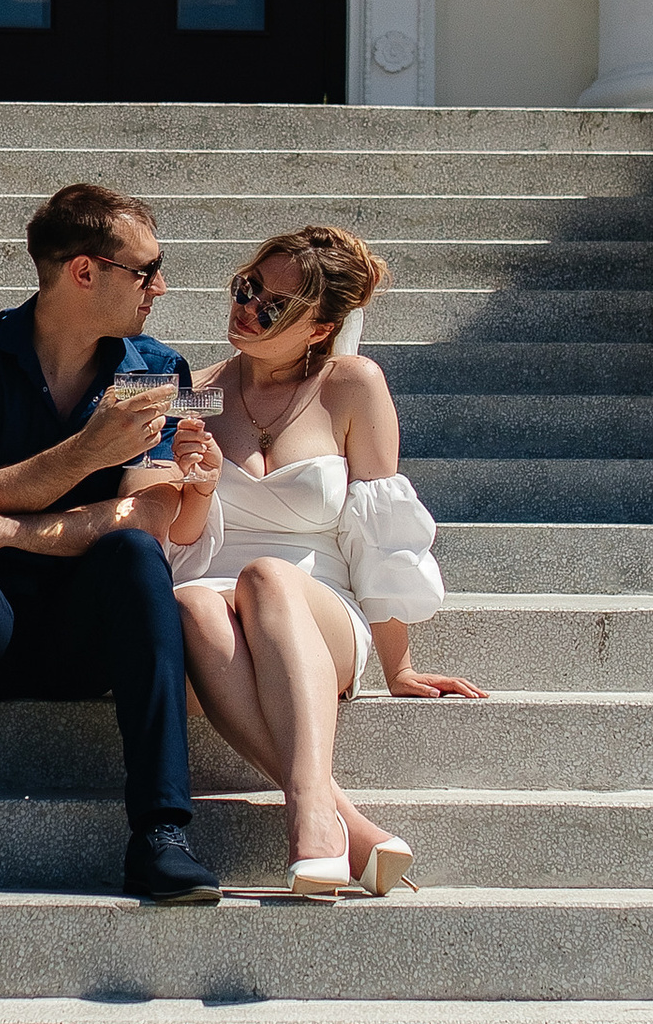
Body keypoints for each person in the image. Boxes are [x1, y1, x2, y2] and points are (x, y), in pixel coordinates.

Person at [0, 181, 228, 907]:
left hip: (86, 635)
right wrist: (83, 453)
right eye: (146, 269)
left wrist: (7, 527)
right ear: (85, 271)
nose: (160, 285)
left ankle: (161, 834)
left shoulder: (154, 369)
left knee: (134, 558)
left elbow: (147, 517)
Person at [171, 224, 487, 899]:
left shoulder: (353, 385)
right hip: (206, 618)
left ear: (321, 328)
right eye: (246, 286)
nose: (248, 306)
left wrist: (396, 664)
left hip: (316, 610)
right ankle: (334, 818)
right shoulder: (192, 387)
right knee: (192, 599)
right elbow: (156, 518)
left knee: (266, 577)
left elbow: (383, 531)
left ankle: (312, 819)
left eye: (274, 305)